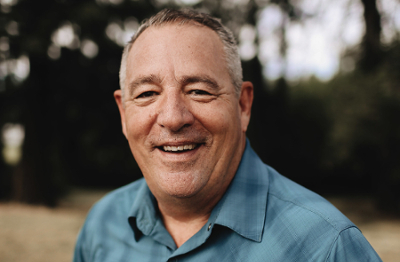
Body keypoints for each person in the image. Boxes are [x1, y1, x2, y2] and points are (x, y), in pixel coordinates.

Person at [73, 8, 382, 262]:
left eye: (199, 91)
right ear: (124, 115)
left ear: (243, 105)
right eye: (147, 93)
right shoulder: (101, 226)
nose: (172, 118)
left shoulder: (327, 248)